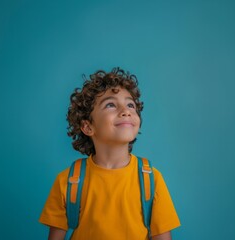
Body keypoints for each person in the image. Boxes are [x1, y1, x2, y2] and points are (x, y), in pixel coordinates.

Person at [39, 67, 180, 240]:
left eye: (130, 104)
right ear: (88, 127)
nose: (126, 110)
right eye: (111, 104)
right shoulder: (68, 182)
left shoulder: (152, 180)